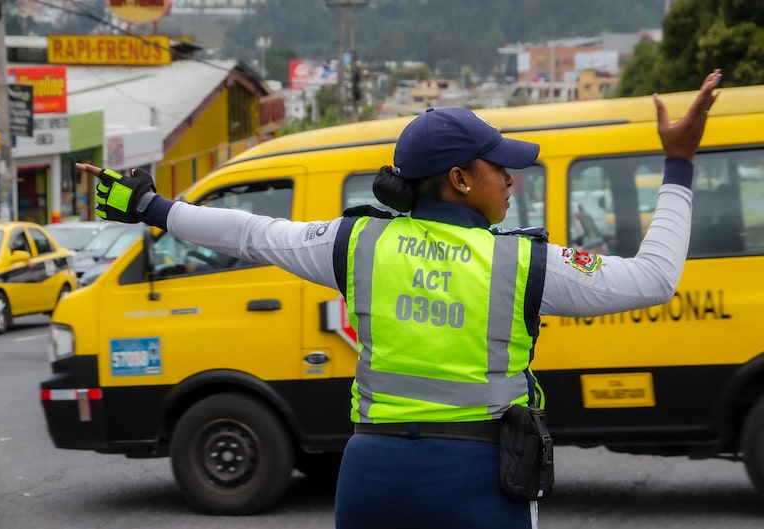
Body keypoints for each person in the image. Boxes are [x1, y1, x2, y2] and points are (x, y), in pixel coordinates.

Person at [77, 69, 721, 529]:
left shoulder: (358, 243)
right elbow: (655, 278)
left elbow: (249, 233)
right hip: (479, 483)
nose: (512, 177)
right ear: (460, 179)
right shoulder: (521, 262)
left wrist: (149, 205)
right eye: (499, 166)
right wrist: (679, 163)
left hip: (371, 478)